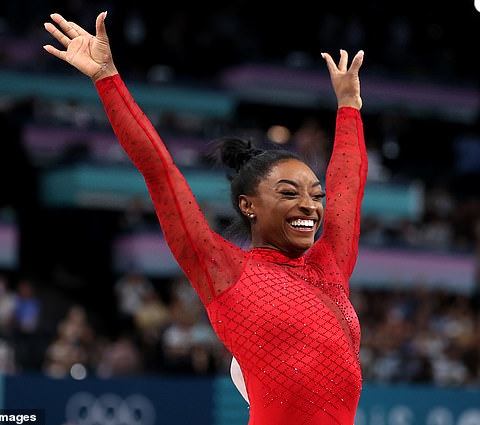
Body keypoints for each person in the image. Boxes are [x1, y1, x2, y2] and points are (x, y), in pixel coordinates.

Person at [43, 11, 367, 425]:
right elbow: (159, 172)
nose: (311, 205)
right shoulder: (225, 270)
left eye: (315, 196)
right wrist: (107, 77)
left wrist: (349, 107)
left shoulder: (330, 266)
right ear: (249, 205)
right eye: (289, 193)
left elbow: (348, 186)